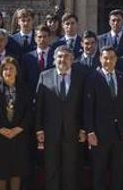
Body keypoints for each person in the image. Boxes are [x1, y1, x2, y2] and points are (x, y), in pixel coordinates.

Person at [84, 46, 123, 190]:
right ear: (100, 59)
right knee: (99, 172)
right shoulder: (92, 79)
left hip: (119, 133)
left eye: (112, 58)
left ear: (116, 59)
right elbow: (88, 108)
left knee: (118, 172)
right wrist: (90, 132)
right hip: (99, 134)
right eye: (105, 58)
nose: (108, 61)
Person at [35, 46, 86, 190]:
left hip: (73, 132)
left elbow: (84, 105)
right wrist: (39, 129)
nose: (62, 60)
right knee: (51, 169)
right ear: (54, 59)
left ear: (72, 60)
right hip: (51, 131)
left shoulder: (80, 77)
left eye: (66, 57)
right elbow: (39, 105)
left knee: (70, 169)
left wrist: (83, 128)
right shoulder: (45, 76)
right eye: (59, 57)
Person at [0, 56, 34, 190]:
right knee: (0, 171)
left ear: (17, 71)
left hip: (19, 136)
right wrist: (0, 129)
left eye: (11, 68)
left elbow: (29, 113)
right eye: (5, 69)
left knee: (16, 171)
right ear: (1, 72)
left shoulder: (25, 90)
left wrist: (19, 129)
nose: (8, 71)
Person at [21, 25, 54, 90]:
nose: (42, 39)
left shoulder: (55, 56)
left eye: (45, 36)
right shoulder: (27, 57)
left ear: (50, 38)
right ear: (35, 39)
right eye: (39, 37)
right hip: (32, 94)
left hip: (51, 94)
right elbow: (23, 78)